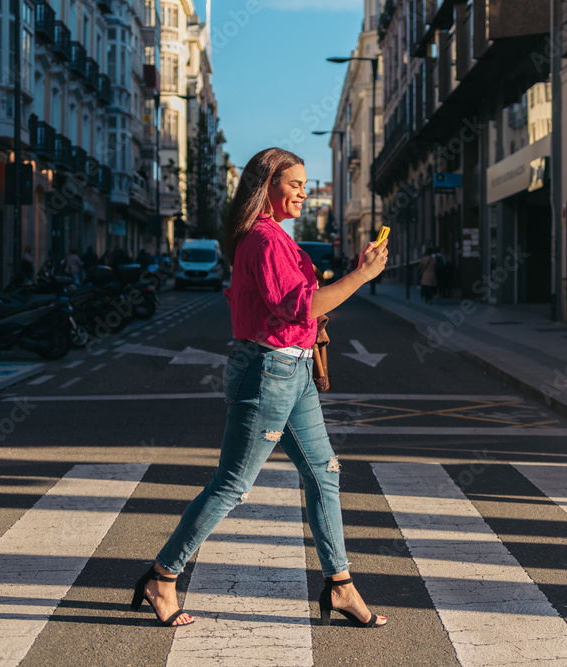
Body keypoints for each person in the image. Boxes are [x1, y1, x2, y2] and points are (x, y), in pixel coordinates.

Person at [130, 148, 389, 628]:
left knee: (323, 475)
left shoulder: (277, 238)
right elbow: (300, 308)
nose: (303, 191)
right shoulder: (265, 240)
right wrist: (364, 275)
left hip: (293, 371)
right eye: (295, 183)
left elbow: (303, 300)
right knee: (231, 485)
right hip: (267, 372)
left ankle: (341, 586)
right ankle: (162, 578)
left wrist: (355, 270)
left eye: (306, 184)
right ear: (267, 186)